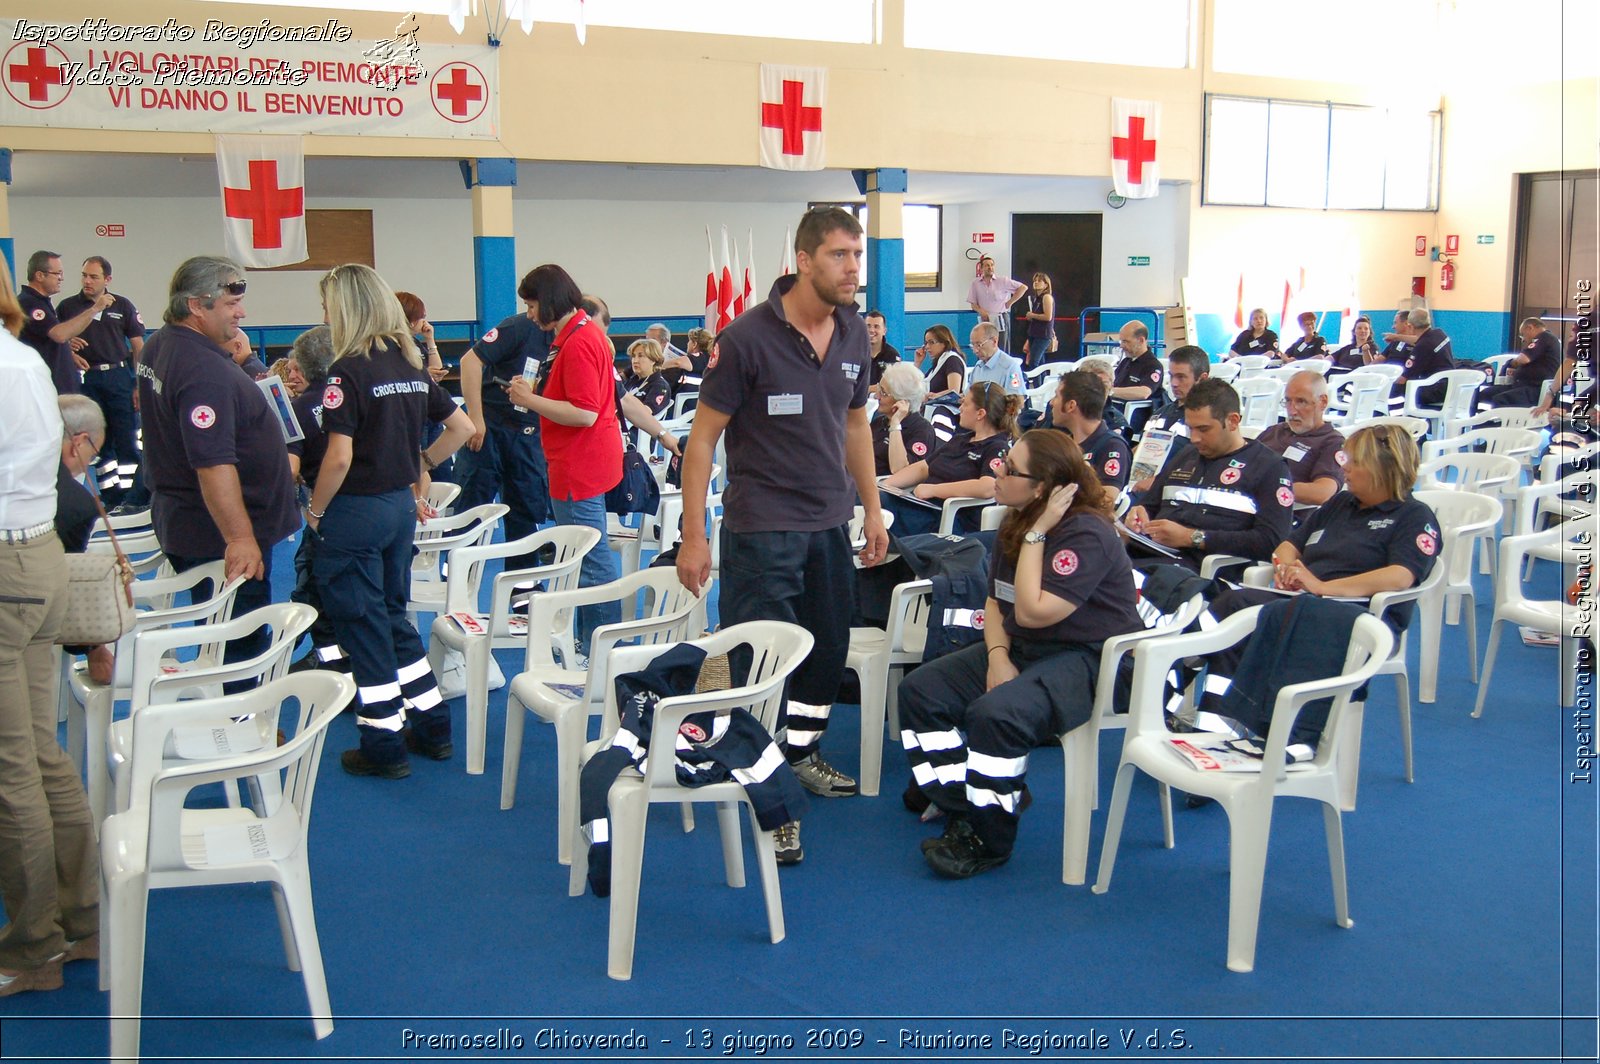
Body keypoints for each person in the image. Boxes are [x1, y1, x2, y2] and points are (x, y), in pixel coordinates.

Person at [675, 206, 890, 867]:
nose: (854, 268)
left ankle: (798, 756)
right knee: (758, 670)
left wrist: (873, 511)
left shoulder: (854, 333)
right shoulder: (746, 339)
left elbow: (856, 427)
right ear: (803, 260)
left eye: (858, 255)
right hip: (761, 530)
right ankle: (768, 800)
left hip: (829, 525)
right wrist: (693, 533)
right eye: (839, 255)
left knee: (825, 656)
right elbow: (703, 438)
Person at [898, 429, 1143, 878]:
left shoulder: (1084, 533)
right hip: (1027, 648)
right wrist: (997, 656)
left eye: (1011, 468)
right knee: (920, 690)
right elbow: (995, 601)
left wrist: (1038, 534)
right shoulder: (1015, 516)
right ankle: (968, 800)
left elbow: (1031, 611)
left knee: (997, 715)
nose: (998, 468)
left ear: (1043, 489)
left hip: (1091, 660)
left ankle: (988, 839)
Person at [304, 264, 472, 778]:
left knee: (362, 623)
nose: (325, 314)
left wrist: (314, 511)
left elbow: (336, 458)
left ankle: (383, 741)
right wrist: (419, 463)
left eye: (328, 304)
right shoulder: (408, 362)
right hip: (398, 510)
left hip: (354, 510)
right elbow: (461, 427)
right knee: (393, 617)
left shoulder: (347, 371)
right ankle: (432, 723)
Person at [1184, 424, 1439, 744]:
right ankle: (1214, 726)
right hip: (1301, 602)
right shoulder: (1341, 504)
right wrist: (1288, 568)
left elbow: (1400, 575)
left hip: (1349, 616)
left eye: (1354, 461)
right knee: (1231, 611)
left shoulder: (1414, 516)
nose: (1343, 466)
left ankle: (1179, 668)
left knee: (1235, 607)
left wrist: (1321, 586)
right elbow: (1286, 546)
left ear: (1383, 468)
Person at [0, 266, 99, 998]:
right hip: (37, 558)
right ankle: (82, 918)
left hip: (7, 565)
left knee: (11, 770)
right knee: (38, 752)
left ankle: (33, 946)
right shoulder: (22, 354)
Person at [138, 256, 298, 676]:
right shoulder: (202, 371)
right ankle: (239, 720)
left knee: (219, 628)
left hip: (189, 520)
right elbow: (213, 464)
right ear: (197, 305)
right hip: (218, 536)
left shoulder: (163, 343)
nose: (242, 313)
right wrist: (241, 538)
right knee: (238, 634)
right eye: (231, 305)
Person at [505, 265, 624, 660]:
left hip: (579, 462)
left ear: (551, 300)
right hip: (581, 458)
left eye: (532, 304)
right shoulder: (575, 335)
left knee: (589, 559)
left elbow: (584, 412)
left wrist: (530, 400)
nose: (529, 313)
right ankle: (595, 642)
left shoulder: (577, 342)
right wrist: (538, 392)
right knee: (588, 555)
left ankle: (601, 648)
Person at [1123, 379, 1294, 570]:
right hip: (1154, 552)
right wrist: (1139, 513)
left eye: (1204, 429)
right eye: (1190, 428)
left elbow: (1271, 541)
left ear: (1232, 421)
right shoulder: (1187, 454)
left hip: (1204, 567)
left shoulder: (1269, 467)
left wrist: (1193, 538)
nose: (1194, 438)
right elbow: (1149, 504)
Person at [456, 275, 553, 577]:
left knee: (526, 507)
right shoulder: (518, 327)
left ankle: (521, 584)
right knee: (473, 505)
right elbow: (469, 362)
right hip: (490, 427)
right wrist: (475, 418)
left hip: (528, 431)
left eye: (532, 305)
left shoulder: (568, 339)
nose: (530, 311)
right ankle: (460, 574)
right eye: (528, 305)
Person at [282, 326, 347, 674]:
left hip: (325, 511)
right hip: (373, 506)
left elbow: (289, 469)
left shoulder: (298, 409)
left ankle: (330, 659)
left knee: (312, 586)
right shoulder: (356, 394)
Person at [56, 257, 145, 508]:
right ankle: (110, 497)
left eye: (93, 276)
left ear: (107, 280)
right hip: (88, 379)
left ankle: (134, 498)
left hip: (118, 377)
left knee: (127, 438)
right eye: (84, 275)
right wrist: (70, 351)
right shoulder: (68, 307)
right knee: (99, 442)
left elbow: (138, 345)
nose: (87, 281)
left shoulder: (122, 305)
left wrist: (138, 384)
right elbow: (56, 338)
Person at [878, 381, 1019, 534]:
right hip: (921, 507)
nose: (960, 409)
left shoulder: (997, 447)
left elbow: (988, 487)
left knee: (878, 506)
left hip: (945, 517)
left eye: (964, 404)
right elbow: (923, 467)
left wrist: (933, 490)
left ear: (980, 414)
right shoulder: (960, 439)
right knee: (872, 498)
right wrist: (883, 485)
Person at [54, 394, 115, 685]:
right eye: (92, 455)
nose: (89, 464)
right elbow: (63, 582)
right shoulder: (75, 506)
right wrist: (94, 649)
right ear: (78, 442)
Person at [1256, 370, 1346, 506]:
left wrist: (1266, 485)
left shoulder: (1332, 442)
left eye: (1301, 402)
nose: (1292, 411)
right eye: (1287, 401)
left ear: (1322, 402)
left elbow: (1323, 493)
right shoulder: (1274, 431)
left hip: (1283, 514)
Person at [19, 250, 100, 396]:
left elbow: (47, 340)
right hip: (46, 390)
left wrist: (68, 354)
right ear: (39, 275)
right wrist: (95, 309)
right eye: (57, 274)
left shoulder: (43, 302)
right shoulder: (30, 303)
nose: (61, 279)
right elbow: (59, 334)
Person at [397, 291, 453, 482]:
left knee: (442, 468)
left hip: (431, 413)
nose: (424, 322)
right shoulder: (394, 347)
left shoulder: (415, 343)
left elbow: (434, 368)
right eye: (421, 317)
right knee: (420, 470)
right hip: (415, 415)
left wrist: (430, 340)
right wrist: (424, 376)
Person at [1050, 370, 1131, 490]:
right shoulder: (1064, 444)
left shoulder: (1112, 446)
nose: (1051, 402)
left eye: (1056, 396)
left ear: (1071, 406)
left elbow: (1107, 501)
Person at [873, 361, 940, 476]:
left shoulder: (922, 430)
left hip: (888, 489)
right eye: (879, 389)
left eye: (883, 393)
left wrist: (895, 426)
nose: (876, 396)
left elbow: (899, 470)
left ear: (902, 400)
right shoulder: (878, 422)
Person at [1479, 317, 1562, 409]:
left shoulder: (1544, 337)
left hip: (1536, 388)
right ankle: (1479, 420)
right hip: (1523, 385)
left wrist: (1513, 363)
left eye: (1522, 335)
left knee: (1500, 399)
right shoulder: (1546, 340)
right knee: (1484, 394)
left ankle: (1498, 423)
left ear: (1530, 328)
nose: (1523, 340)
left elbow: (1523, 359)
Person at [1391, 307, 1455, 407]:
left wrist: (1386, 382)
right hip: (1451, 386)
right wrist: (1396, 337)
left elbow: (1402, 379)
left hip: (1435, 391)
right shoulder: (1440, 334)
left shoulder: (1421, 347)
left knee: (1395, 388)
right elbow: (1419, 339)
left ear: (1410, 326)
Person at [966, 255, 1027, 351]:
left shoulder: (1002, 281)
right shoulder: (975, 283)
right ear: (981, 268)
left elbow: (1023, 287)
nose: (990, 267)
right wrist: (981, 311)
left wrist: (1010, 302)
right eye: (986, 265)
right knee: (983, 345)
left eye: (991, 265)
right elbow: (973, 304)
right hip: (985, 319)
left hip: (1000, 317)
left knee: (1001, 345)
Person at [967, 321, 1025, 394]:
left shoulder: (1010, 367)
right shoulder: (978, 366)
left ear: (994, 341)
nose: (975, 351)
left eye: (979, 345)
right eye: (973, 345)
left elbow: (1016, 400)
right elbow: (968, 393)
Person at [915, 324, 966, 403]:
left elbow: (954, 391)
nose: (927, 346)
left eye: (932, 342)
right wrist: (918, 362)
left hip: (944, 410)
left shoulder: (952, 360)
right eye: (926, 343)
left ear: (944, 343)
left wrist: (935, 396)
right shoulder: (936, 366)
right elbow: (911, 385)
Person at [622, 337, 673, 416]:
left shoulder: (660, 386)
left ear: (653, 360)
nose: (635, 361)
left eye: (640, 356)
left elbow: (646, 413)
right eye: (633, 356)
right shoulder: (633, 380)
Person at [1019, 272, 1056, 368]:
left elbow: (1048, 317)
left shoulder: (1046, 297)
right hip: (1034, 333)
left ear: (1046, 284)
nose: (1036, 282)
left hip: (1043, 335)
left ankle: (1037, 382)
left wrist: (1033, 315)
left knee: (1034, 362)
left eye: (1039, 281)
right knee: (1040, 362)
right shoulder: (1036, 299)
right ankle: (1041, 381)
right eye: (1035, 281)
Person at [661, 326, 712, 393]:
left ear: (694, 344)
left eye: (689, 341)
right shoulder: (710, 357)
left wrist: (660, 366)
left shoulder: (701, 357)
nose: (687, 343)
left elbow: (678, 362)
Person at [865, 309, 900, 385]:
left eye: (876, 326)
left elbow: (894, 386)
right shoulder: (854, 353)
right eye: (868, 326)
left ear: (884, 331)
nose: (871, 330)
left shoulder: (892, 355)